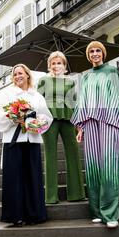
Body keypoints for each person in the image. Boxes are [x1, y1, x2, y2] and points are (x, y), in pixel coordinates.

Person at [71, 41, 119, 229]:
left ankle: (110, 213)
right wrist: (80, 128)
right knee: (92, 168)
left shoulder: (113, 71)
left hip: (111, 122)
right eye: (91, 51)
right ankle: (97, 211)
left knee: (110, 168)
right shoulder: (86, 77)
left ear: (103, 54)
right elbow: (82, 102)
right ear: (88, 56)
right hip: (90, 124)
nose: (95, 53)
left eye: (98, 50)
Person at [0, 63, 53, 227]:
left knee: (33, 178)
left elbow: (47, 117)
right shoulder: (6, 94)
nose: (17, 76)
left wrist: (31, 123)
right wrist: (13, 118)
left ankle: (34, 215)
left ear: (27, 75)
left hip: (32, 141)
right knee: (14, 180)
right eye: (14, 74)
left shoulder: (37, 96)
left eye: (20, 73)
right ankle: (15, 216)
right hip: (13, 142)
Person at [37, 51, 86, 204]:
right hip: (49, 120)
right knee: (50, 155)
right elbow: (38, 102)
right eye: (53, 63)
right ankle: (51, 196)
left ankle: (76, 193)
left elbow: (74, 102)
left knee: (73, 153)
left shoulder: (71, 82)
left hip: (68, 119)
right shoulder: (43, 81)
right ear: (49, 65)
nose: (56, 65)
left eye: (59, 63)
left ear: (64, 65)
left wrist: (79, 126)